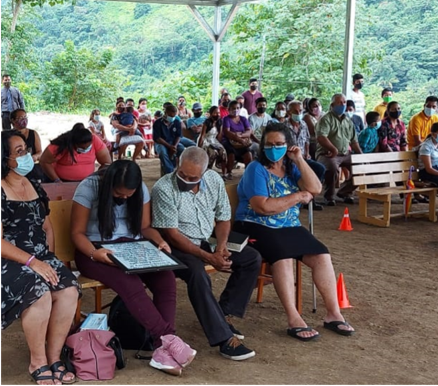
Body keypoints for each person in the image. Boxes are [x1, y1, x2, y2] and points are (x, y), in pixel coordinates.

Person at [70, 160, 196, 375]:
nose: (125, 198)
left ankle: (162, 349)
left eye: (129, 195)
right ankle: (169, 341)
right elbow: (77, 233)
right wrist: (94, 253)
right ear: (110, 185)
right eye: (119, 194)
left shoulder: (140, 190)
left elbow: (145, 228)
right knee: (131, 284)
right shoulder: (89, 187)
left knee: (165, 278)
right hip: (94, 250)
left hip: (132, 247)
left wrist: (159, 242)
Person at [234, 123, 355, 341]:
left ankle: (333, 313)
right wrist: (298, 196)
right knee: (283, 255)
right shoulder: (256, 169)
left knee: (321, 254)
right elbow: (263, 206)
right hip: (256, 224)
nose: (274, 148)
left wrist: (299, 159)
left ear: (289, 146)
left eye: (279, 144)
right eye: (269, 144)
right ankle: (294, 317)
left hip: (288, 224)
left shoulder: (292, 167)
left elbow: (316, 189)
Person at [152, 147, 260, 361]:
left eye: (193, 177)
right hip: (177, 245)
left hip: (206, 238)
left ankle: (224, 314)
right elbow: (172, 235)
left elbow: (222, 217)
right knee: (197, 273)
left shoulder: (213, 180)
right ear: (177, 164)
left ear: (204, 172)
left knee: (251, 258)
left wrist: (221, 247)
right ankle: (224, 339)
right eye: (182, 174)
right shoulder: (164, 187)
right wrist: (209, 257)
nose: (186, 180)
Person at [1, 130, 80, 385]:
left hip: (39, 257)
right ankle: (38, 361)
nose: (26, 156)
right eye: (19, 152)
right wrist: (33, 263)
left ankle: (54, 357)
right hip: (8, 260)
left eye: (26, 149)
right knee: (39, 289)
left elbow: (46, 226)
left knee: (68, 288)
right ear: (4, 159)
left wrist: (50, 259)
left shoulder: (33, 184)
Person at [316, 93, 362, 206]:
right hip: (327, 153)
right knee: (331, 168)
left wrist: (361, 155)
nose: (342, 105)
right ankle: (329, 196)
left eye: (344, 102)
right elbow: (321, 137)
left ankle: (345, 192)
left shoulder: (348, 121)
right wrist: (333, 149)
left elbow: (354, 141)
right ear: (332, 105)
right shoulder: (326, 119)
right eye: (339, 102)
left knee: (361, 167)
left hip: (346, 153)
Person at [286, 100, 325, 210]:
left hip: (303, 158)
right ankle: (299, 198)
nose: (298, 113)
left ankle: (311, 199)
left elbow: (307, 140)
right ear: (289, 112)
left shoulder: (303, 124)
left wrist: (307, 154)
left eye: (300, 111)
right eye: (295, 111)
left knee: (320, 169)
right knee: (294, 173)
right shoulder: (284, 126)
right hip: (290, 159)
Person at [40, 126, 111, 183]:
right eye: (82, 147)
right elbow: (44, 161)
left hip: (87, 181)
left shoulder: (94, 140)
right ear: (74, 144)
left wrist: (97, 178)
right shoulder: (61, 144)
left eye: (88, 146)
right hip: (62, 181)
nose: (85, 149)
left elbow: (107, 163)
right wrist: (57, 180)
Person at [222, 100, 253, 179]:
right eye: (233, 108)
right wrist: (238, 138)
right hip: (229, 141)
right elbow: (227, 132)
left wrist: (241, 135)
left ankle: (248, 173)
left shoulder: (243, 119)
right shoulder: (226, 119)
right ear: (229, 109)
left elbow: (249, 131)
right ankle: (229, 172)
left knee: (248, 154)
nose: (235, 110)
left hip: (242, 141)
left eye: (237, 108)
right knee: (231, 153)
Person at [10, 109, 44, 181]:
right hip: (16, 169)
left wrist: (34, 157)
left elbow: (40, 152)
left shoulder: (33, 133)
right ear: (13, 120)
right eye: (20, 118)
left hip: (32, 167)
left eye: (25, 117)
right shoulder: (8, 136)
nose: (24, 120)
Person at [153, 104, 185, 174]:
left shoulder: (176, 122)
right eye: (170, 116)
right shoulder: (157, 123)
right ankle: (170, 172)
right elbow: (158, 138)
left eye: (173, 116)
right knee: (162, 152)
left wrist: (175, 146)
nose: (172, 118)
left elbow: (178, 136)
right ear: (166, 113)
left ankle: (181, 170)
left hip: (173, 143)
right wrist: (169, 146)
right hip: (161, 143)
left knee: (182, 150)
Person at [198, 106, 227, 178]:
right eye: (215, 113)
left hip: (213, 140)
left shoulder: (220, 122)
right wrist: (199, 147)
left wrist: (219, 145)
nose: (217, 114)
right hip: (205, 140)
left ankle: (224, 174)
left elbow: (219, 135)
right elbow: (202, 135)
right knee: (212, 153)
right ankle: (207, 171)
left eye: (218, 113)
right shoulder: (207, 122)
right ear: (210, 114)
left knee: (223, 152)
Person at [303, 98, 324, 162]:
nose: (317, 107)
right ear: (310, 108)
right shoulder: (307, 116)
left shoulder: (324, 115)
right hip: (313, 143)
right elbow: (313, 131)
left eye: (319, 105)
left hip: (324, 141)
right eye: (315, 106)